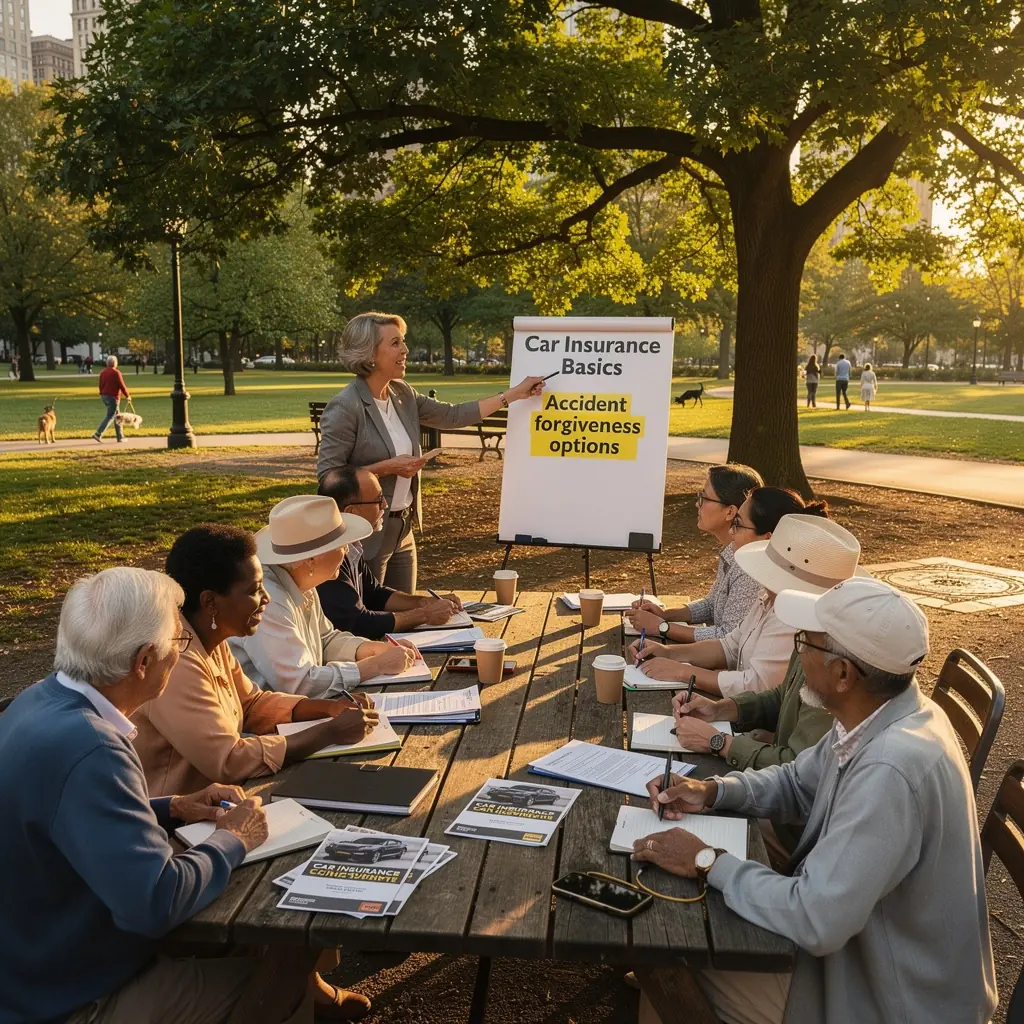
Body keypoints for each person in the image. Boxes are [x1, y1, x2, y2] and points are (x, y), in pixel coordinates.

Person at [634, 578, 997, 1024]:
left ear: (843, 674)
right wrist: (711, 792)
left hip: (887, 997)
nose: (796, 652)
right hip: (867, 957)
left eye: (805, 642)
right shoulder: (879, 715)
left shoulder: (890, 770)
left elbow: (815, 919)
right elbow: (797, 783)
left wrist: (707, 861)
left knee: (669, 953)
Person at [0, 567, 314, 1024]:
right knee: (284, 985)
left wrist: (173, 807)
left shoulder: (37, 701)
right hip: (68, 995)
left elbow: (59, 816)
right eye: (178, 644)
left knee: (248, 941)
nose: (181, 653)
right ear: (144, 660)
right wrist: (232, 839)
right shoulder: (93, 745)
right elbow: (155, 903)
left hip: (28, 965)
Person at [131, 524, 382, 798]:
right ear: (210, 602)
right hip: (176, 823)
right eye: (254, 590)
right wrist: (328, 733)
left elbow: (251, 704)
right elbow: (227, 761)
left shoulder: (208, 637)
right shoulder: (174, 660)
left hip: (222, 800)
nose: (266, 599)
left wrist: (328, 708)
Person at [317, 311, 547, 590]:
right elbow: (329, 480)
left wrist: (514, 394)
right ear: (369, 355)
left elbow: (453, 416)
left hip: (403, 527)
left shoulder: (402, 393)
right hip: (366, 533)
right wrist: (388, 467)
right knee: (369, 616)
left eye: (403, 341)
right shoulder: (346, 406)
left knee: (406, 612)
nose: (405, 349)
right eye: (395, 343)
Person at [628, 497, 854, 697]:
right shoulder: (770, 594)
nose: (731, 531)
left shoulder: (792, 613)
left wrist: (681, 668)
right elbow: (729, 646)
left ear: (767, 538)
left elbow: (756, 685)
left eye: (738, 523)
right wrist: (668, 652)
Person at [230, 494, 421, 696]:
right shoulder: (268, 600)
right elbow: (300, 684)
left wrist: (370, 648)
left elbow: (325, 639)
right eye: (341, 545)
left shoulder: (300, 579)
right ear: (312, 559)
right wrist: (374, 666)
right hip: (265, 723)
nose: (347, 551)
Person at [317, 467, 466, 637]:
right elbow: (357, 623)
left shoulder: (350, 545)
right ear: (352, 512)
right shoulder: (328, 555)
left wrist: (426, 602)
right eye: (379, 499)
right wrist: (425, 614)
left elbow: (375, 594)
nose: (385, 505)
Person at [626, 464, 763, 643]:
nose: (697, 503)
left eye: (704, 497)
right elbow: (711, 604)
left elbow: (729, 638)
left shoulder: (748, 567)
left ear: (730, 511)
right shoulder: (732, 552)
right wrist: (665, 614)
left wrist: (662, 627)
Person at [93, 354, 131, 443]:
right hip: (113, 397)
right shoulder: (116, 372)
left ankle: (120, 437)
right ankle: (98, 433)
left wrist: (102, 393)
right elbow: (122, 385)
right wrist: (127, 395)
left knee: (117, 416)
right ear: (115, 363)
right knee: (111, 416)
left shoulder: (103, 372)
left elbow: (100, 385)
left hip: (104, 396)